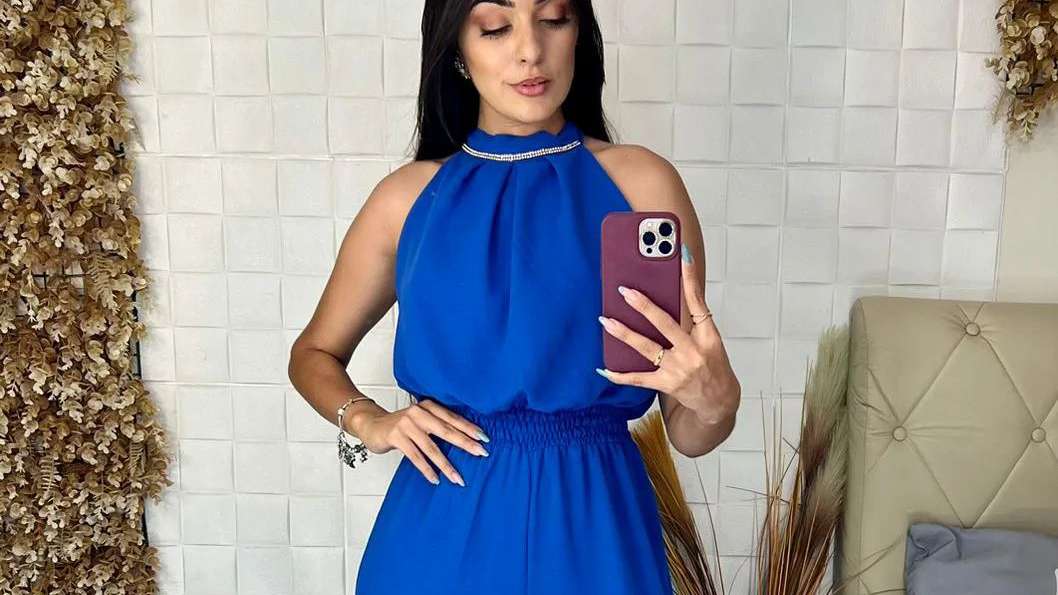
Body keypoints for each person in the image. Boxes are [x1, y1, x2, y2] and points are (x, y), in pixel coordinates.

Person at [287, 0, 742, 593]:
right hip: (441, 526)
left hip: (598, 530)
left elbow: (687, 431)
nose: (530, 50)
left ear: (579, 34)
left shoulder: (643, 185)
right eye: (496, 28)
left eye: (553, 19)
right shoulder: (404, 200)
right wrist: (366, 419)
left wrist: (716, 401)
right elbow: (313, 353)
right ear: (457, 49)